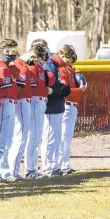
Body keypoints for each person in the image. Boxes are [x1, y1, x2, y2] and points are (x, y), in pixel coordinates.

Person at [0, 39, 19, 182]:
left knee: (7, 139)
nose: (13, 53)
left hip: (10, 103)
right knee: (1, 139)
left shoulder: (7, 67)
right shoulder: (1, 67)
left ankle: (3, 170)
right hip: (3, 103)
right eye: (10, 51)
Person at [41, 43, 70, 177]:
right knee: (49, 138)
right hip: (50, 107)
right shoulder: (49, 65)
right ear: (62, 55)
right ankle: (48, 168)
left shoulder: (55, 66)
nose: (67, 63)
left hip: (57, 106)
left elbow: (58, 87)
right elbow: (48, 88)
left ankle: (54, 166)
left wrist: (60, 89)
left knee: (56, 138)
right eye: (67, 59)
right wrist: (60, 90)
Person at [23, 45, 50, 179]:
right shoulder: (32, 66)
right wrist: (46, 91)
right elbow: (33, 88)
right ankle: (30, 169)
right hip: (34, 101)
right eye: (38, 57)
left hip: (39, 101)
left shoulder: (38, 66)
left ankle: (32, 168)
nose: (39, 60)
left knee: (36, 136)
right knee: (33, 136)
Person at [56, 45, 84, 175]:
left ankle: (65, 164)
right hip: (67, 105)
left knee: (67, 137)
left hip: (72, 105)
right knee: (63, 137)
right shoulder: (62, 69)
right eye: (69, 58)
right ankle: (62, 165)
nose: (70, 61)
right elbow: (65, 91)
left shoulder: (69, 69)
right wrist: (80, 89)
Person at [8, 48, 33, 180]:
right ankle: (13, 171)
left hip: (19, 102)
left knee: (17, 136)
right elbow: (18, 88)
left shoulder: (19, 65)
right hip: (21, 102)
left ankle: (12, 170)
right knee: (20, 136)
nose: (34, 60)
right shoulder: (21, 66)